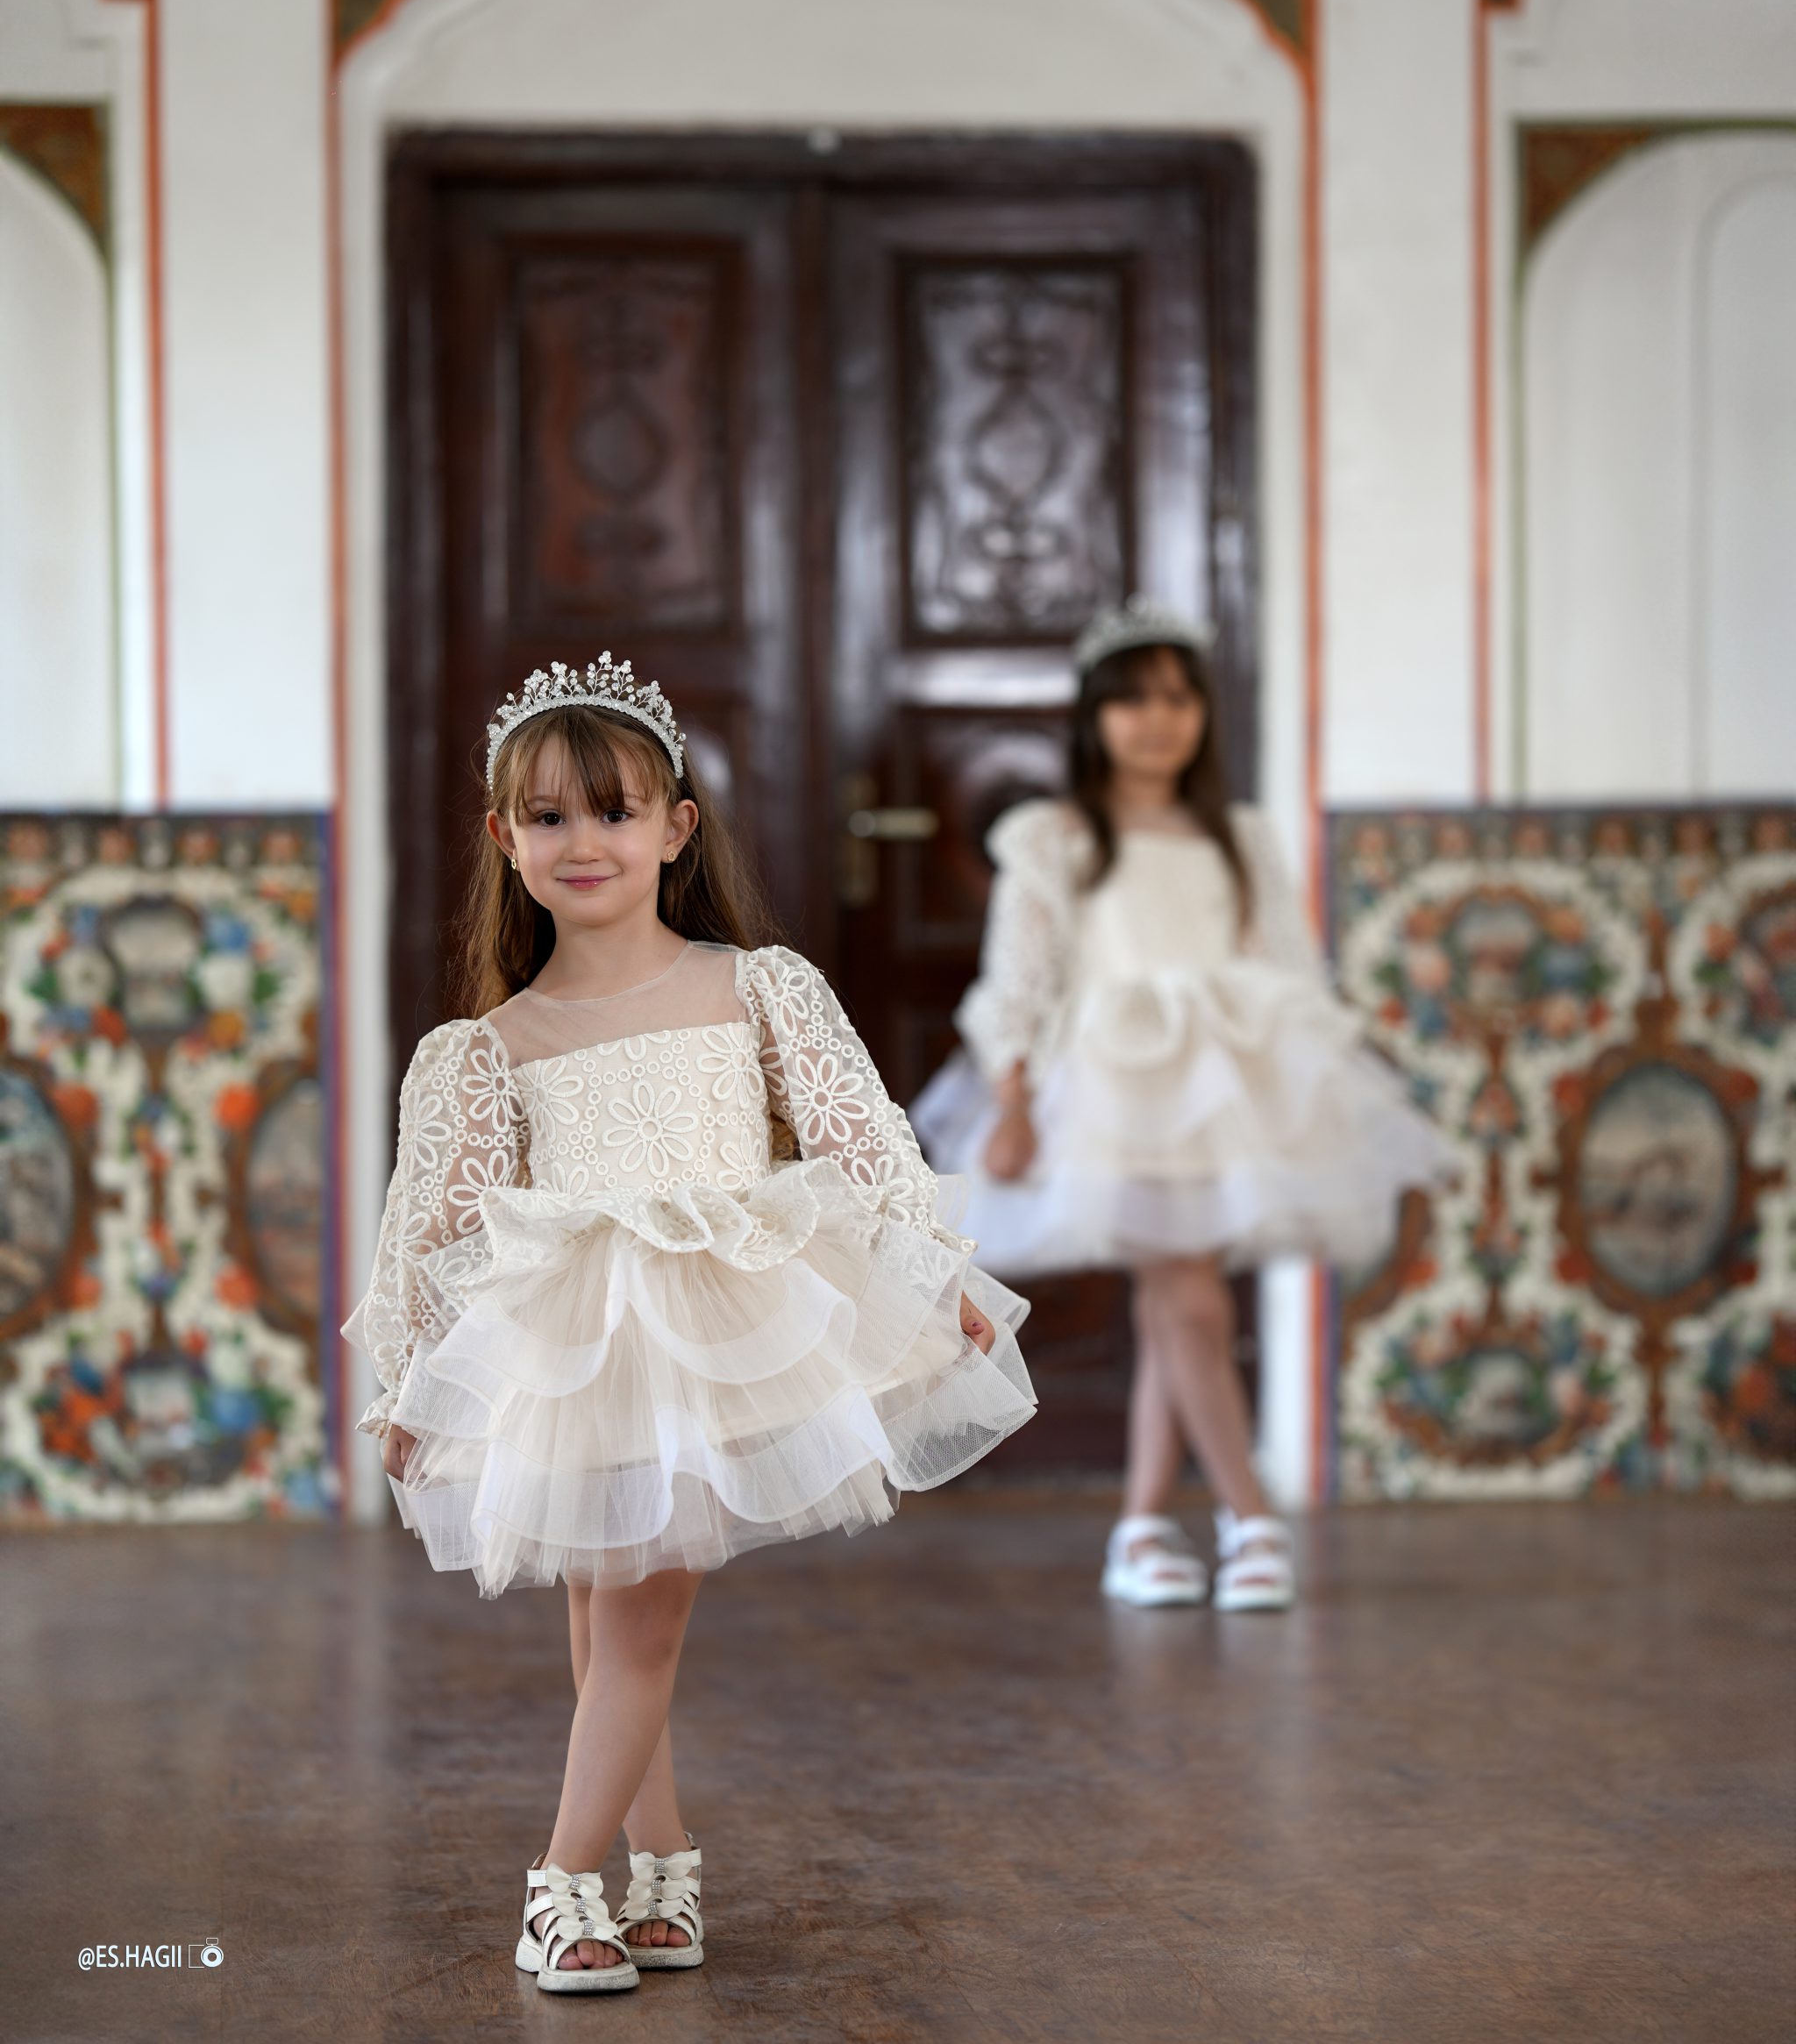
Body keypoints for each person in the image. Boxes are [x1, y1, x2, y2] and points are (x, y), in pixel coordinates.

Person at [341, 657, 1036, 1994]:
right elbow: (435, 1231)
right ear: (504, 839)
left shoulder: (758, 986)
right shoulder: (489, 1048)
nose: (583, 841)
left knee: (639, 1625)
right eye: (548, 816)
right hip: (580, 1347)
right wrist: (412, 1384)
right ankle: (661, 1865)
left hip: (726, 1327)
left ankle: (560, 1885)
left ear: (676, 827)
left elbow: (861, 1137)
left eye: (614, 812)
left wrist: (930, 1267)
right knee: (608, 1610)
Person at [911, 599, 1450, 1615]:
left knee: (1177, 1307)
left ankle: (1140, 1529)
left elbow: (1285, 967)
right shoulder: (1055, 836)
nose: (1156, 721)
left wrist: (1301, 1075)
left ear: (1203, 712)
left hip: (1222, 1086)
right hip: (1110, 1089)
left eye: (1176, 698)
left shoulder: (1236, 837)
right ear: (1092, 718)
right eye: (1131, 701)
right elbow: (1016, 982)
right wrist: (1012, 1103)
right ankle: (1249, 1517)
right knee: (1190, 1299)